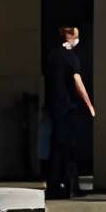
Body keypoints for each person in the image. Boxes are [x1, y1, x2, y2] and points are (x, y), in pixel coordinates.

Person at [44, 24, 96, 199]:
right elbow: (78, 83)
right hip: (67, 109)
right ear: (70, 37)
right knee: (70, 148)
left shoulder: (52, 56)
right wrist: (89, 105)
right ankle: (71, 185)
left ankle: (55, 184)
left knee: (57, 147)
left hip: (54, 107)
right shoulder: (71, 58)